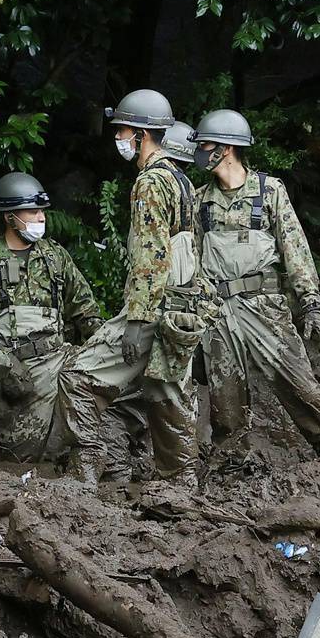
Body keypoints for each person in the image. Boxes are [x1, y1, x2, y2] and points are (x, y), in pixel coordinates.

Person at [58, 88, 207, 484]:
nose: (119, 139)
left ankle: (84, 481)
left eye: (123, 131)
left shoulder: (150, 183)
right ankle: (182, 486)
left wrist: (138, 321)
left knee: (77, 378)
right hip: (180, 307)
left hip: (153, 307)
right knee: (166, 393)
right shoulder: (182, 181)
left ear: (142, 135)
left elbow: (151, 256)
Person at [191, 108, 320, 453]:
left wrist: (311, 305)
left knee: (299, 383)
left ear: (226, 148)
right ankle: (232, 466)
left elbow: (296, 249)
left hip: (265, 305)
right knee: (225, 401)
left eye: (206, 144)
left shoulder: (269, 191)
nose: (199, 151)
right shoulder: (200, 201)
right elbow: (192, 261)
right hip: (218, 311)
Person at [0, 172, 102, 463]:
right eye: (32, 211)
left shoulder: (55, 256)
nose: (40, 217)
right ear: (9, 216)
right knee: (18, 456)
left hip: (58, 360)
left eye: (42, 210)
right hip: (13, 373)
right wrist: (1, 364)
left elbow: (85, 310)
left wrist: (103, 352)